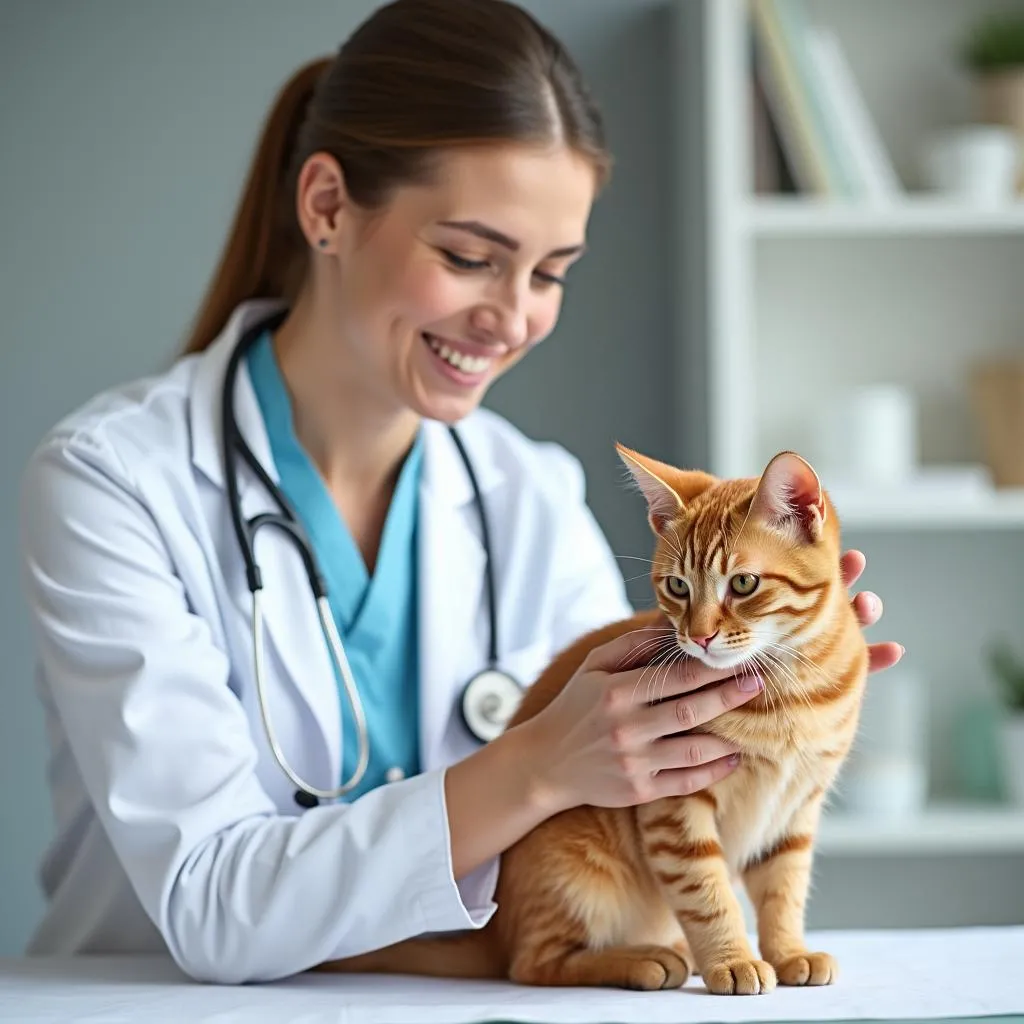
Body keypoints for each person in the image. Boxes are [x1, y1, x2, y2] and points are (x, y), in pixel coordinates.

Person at [17, 0, 902, 986]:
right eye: (470, 258)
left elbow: (636, 795)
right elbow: (212, 903)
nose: (513, 317)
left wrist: (788, 675)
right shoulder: (115, 480)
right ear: (325, 208)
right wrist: (533, 764)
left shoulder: (526, 490)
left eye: (551, 272)